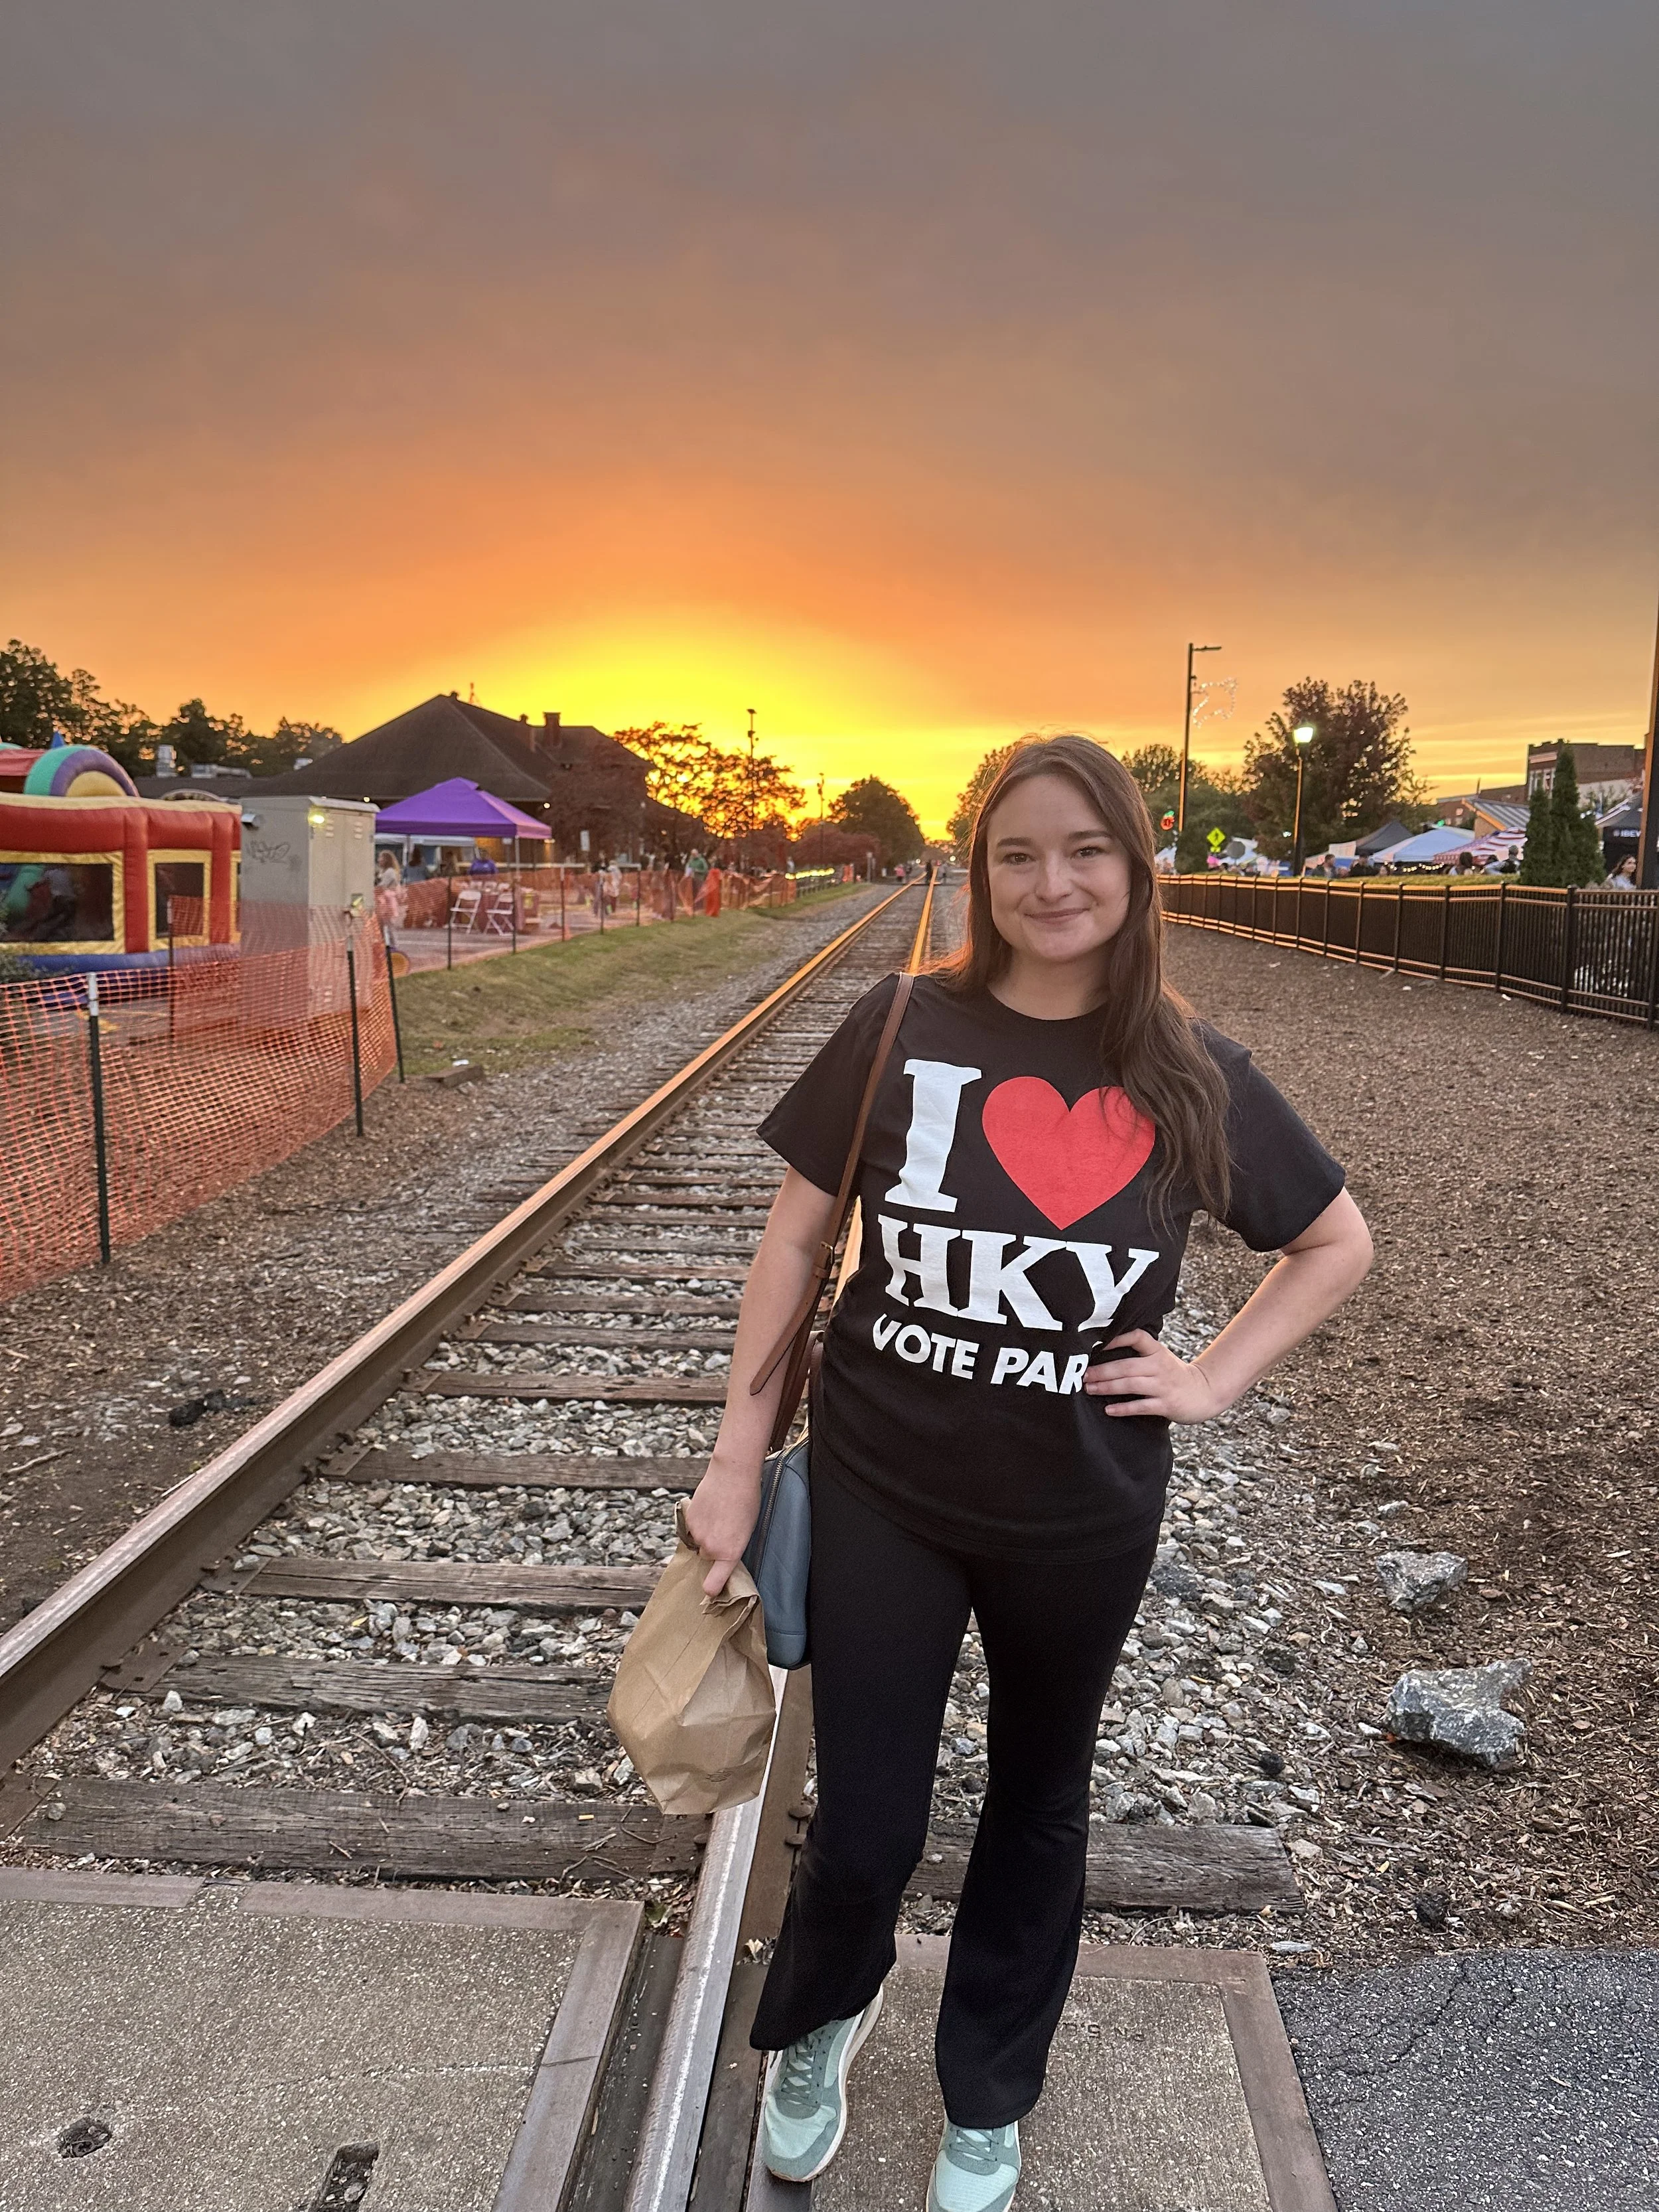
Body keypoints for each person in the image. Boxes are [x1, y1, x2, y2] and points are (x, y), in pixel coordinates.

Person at [685, 735, 1372, 2212]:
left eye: (1084, 850)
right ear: (978, 871)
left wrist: (1210, 1379)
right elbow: (795, 1244)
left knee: (1036, 1805)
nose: (1051, 882)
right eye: (1016, 853)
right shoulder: (896, 1025)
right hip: (884, 1487)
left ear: (1133, 866)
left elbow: (1334, 1241)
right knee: (865, 1819)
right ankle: (820, 2020)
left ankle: (986, 2098)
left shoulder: (1189, 1072)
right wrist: (736, 1463)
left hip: (1078, 1513)